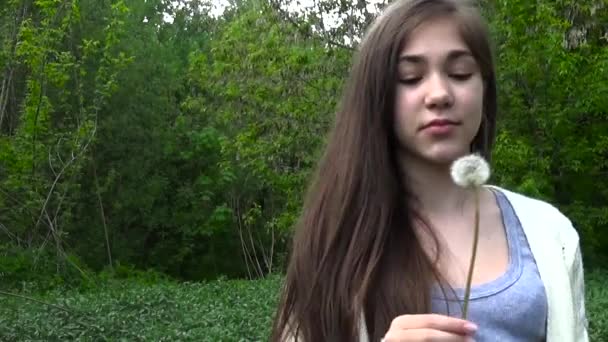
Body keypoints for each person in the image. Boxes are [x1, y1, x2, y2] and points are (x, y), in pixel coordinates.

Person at [270, 0, 589, 341]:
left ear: (485, 88)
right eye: (410, 77)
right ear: (378, 97)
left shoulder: (551, 233)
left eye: (460, 73)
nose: (438, 94)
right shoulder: (337, 240)